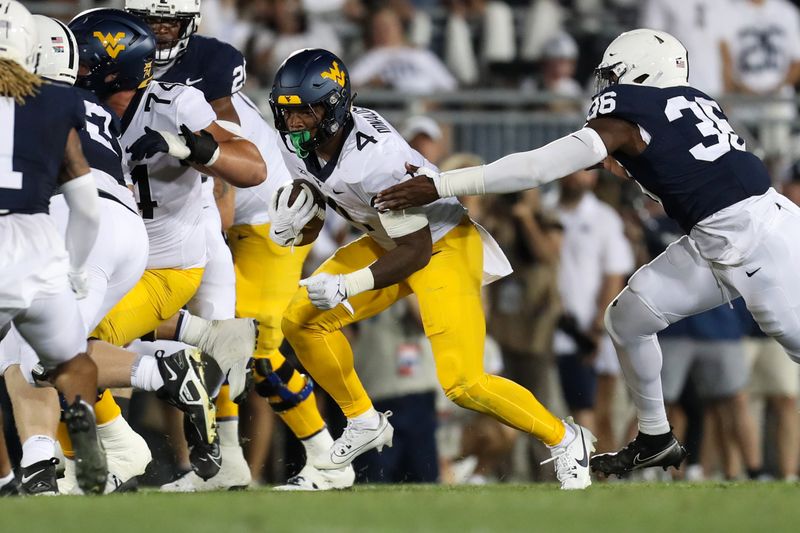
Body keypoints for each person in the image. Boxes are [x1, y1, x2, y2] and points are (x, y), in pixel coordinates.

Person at [375, 28, 800, 477]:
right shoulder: (690, 101)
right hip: (720, 236)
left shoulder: (631, 110)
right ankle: (655, 437)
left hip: (760, 241)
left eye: (615, 76)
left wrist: (439, 183)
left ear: (641, 72)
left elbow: (538, 168)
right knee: (630, 317)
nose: (608, 87)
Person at [269, 48, 596, 491]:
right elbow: (323, 195)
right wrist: (301, 223)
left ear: (334, 107)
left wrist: (349, 284)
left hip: (441, 246)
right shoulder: (309, 145)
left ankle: (566, 439)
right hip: (390, 238)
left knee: (464, 383)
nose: (293, 124)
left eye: (304, 113)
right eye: (287, 113)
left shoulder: (375, 160)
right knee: (299, 319)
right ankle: (363, 420)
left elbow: (417, 249)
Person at [124, 0, 355, 491]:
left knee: (247, 344)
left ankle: (327, 458)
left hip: (271, 215)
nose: (159, 34)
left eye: (169, 23)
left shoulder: (202, 82)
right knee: (216, 338)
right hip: (224, 215)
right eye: (151, 22)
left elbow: (222, 178)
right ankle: (227, 463)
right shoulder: (139, 76)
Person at [0, 0, 106, 495]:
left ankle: (5, 477)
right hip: (38, 245)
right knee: (71, 363)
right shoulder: (56, 101)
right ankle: (81, 415)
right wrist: (76, 269)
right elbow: (85, 206)